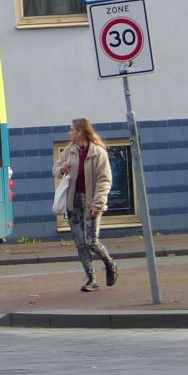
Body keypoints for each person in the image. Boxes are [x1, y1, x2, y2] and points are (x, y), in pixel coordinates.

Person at [52, 118, 118, 292]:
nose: (69, 132)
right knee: (80, 243)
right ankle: (92, 279)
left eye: (71, 129)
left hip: (91, 202)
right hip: (73, 203)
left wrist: (98, 203)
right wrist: (62, 169)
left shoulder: (97, 153)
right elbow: (56, 170)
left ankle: (109, 263)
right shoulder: (69, 151)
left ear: (80, 132)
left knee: (91, 241)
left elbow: (105, 180)